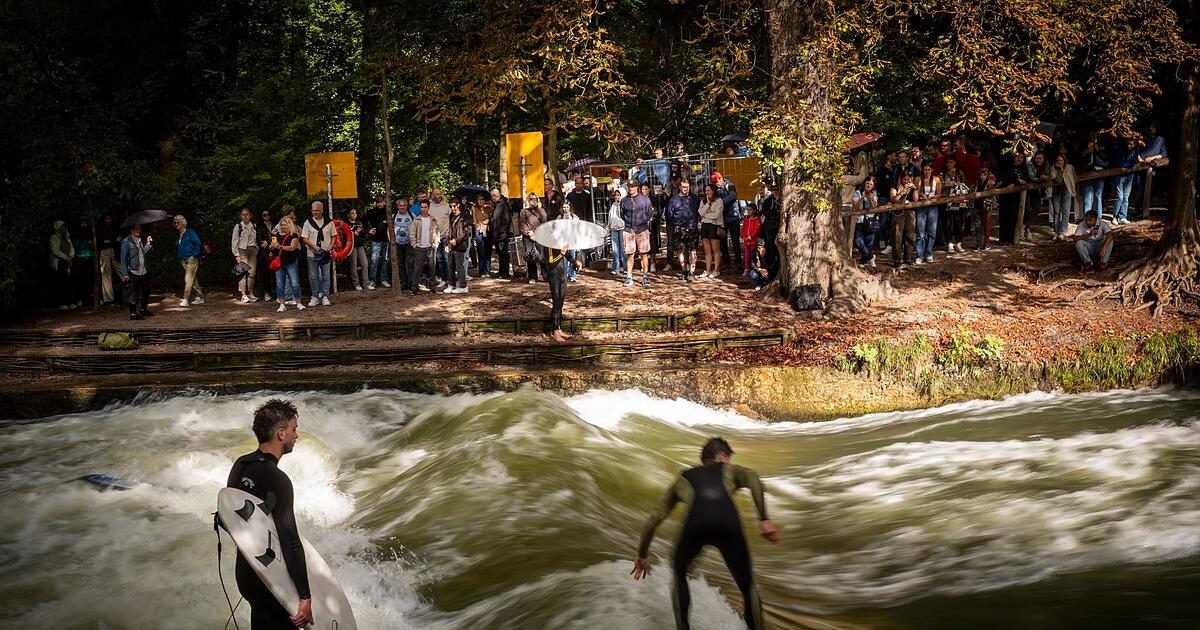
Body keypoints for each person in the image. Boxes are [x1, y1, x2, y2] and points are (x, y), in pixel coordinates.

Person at [632, 437, 780, 630]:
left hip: (696, 525)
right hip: (728, 524)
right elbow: (752, 477)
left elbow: (655, 518)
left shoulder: (683, 478)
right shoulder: (729, 470)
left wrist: (642, 555)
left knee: (679, 572)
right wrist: (764, 518)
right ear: (721, 457)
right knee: (748, 587)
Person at [226, 399, 314, 630]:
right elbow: (290, 540)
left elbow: (229, 519)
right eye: (294, 430)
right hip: (271, 581)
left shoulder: (241, 464)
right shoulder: (278, 479)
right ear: (281, 433)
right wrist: (305, 596)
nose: (297, 435)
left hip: (245, 574)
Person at [300, 202, 335, 307]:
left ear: (322, 210)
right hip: (312, 253)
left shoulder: (329, 223)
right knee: (313, 276)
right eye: (313, 210)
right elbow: (304, 238)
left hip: (325, 253)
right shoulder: (308, 222)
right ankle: (315, 296)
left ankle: (325, 296)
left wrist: (331, 246)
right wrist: (314, 246)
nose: (315, 212)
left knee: (326, 276)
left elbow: (334, 235)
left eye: (317, 210)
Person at [668, 180, 702, 281]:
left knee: (693, 251)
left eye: (687, 187)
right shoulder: (674, 200)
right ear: (679, 187)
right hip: (679, 228)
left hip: (692, 227)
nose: (685, 189)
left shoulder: (695, 199)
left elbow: (700, 213)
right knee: (680, 250)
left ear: (690, 187)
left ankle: (692, 272)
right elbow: (669, 215)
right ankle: (684, 271)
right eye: (683, 187)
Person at [621, 184, 654, 287]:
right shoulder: (624, 200)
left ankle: (645, 276)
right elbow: (622, 214)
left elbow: (649, 213)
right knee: (629, 254)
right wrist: (629, 226)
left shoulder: (645, 199)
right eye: (629, 187)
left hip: (642, 229)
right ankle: (629, 276)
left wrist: (642, 223)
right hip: (628, 230)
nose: (631, 188)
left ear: (636, 187)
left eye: (633, 186)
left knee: (644, 253)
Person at [118, 223, 153, 320]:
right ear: (131, 230)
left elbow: (142, 253)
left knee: (147, 289)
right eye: (136, 229)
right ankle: (133, 314)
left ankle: (143, 309)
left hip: (143, 270)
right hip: (133, 271)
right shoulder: (126, 242)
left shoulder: (140, 240)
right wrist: (125, 274)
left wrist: (148, 244)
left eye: (139, 229)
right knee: (132, 292)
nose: (138, 230)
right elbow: (123, 259)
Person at [271, 217, 304, 312]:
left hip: (291, 262)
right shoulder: (276, 235)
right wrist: (271, 247)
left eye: (285, 224)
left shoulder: (293, 235)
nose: (283, 226)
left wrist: (280, 246)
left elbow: (292, 248)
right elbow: (273, 248)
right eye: (281, 225)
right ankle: (282, 304)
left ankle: (298, 302)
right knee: (280, 284)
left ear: (289, 225)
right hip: (279, 263)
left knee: (295, 283)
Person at [408, 199, 439, 294]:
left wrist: (436, 244)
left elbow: (437, 232)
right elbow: (412, 233)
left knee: (432, 268)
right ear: (420, 208)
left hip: (430, 247)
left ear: (428, 208)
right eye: (422, 207)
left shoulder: (433, 219)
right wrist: (414, 245)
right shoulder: (416, 220)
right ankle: (414, 288)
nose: (424, 209)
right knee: (417, 269)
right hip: (419, 248)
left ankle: (432, 287)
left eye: (425, 207)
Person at [173, 214, 205, 307]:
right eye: (175, 223)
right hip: (183, 260)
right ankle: (200, 297)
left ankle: (186, 299)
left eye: (178, 222)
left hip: (192, 259)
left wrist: (194, 255)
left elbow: (198, 243)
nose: (176, 224)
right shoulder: (178, 234)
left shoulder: (190, 232)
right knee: (192, 279)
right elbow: (178, 246)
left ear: (183, 222)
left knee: (188, 279)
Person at [996, 153, 1028, 245]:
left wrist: (1019, 181)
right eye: (1017, 157)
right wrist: (1016, 181)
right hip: (1005, 196)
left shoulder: (1024, 168)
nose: (1019, 159)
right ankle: (1002, 239)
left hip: (1016, 197)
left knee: (1012, 217)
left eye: (1021, 157)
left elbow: (1026, 179)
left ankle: (1010, 239)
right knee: (1003, 216)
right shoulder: (1007, 167)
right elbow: (1005, 178)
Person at [890, 172, 919, 267]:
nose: (906, 181)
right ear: (901, 179)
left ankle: (908, 258)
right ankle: (897, 260)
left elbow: (915, 200)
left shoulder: (913, 187)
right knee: (897, 237)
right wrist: (902, 193)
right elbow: (893, 199)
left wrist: (914, 189)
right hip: (898, 213)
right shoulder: (895, 186)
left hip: (910, 212)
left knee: (910, 236)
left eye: (908, 179)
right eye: (904, 179)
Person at [940, 156, 968, 252]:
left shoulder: (959, 173)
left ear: (955, 162)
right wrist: (946, 184)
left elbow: (965, 184)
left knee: (959, 222)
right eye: (948, 162)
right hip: (946, 201)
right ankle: (950, 243)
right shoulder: (942, 173)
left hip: (958, 201)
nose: (949, 164)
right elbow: (939, 186)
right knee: (947, 223)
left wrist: (958, 184)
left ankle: (959, 243)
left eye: (951, 162)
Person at [1109, 136, 1140, 225]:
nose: (1129, 146)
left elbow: (1134, 161)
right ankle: (1115, 217)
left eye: (1131, 144)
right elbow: (1118, 162)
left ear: (1134, 144)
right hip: (1118, 177)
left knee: (1126, 198)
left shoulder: (1136, 149)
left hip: (1129, 177)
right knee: (1119, 197)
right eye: (1127, 144)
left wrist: (1131, 164)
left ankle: (1123, 217)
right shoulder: (1119, 149)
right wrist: (1130, 165)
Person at [714, 172, 741, 272]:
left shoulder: (729, 185)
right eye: (714, 182)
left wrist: (720, 203)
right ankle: (726, 262)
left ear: (721, 178)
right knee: (722, 241)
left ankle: (738, 262)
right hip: (722, 219)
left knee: (735, 241)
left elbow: (733, 196)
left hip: (733, 217)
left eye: (717, 181)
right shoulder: (715, 187)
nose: (716, 184)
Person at [914, 163, 940, 264]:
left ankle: (928, 253)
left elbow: (938, 195)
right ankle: (920, 255)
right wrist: (921, 194)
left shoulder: (936, 179)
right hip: (921, 206)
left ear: (932, 170)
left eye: (929, 169)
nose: (927, 171)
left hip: (933, 206)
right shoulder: (918, 179)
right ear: (922, 170)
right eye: (925, 169)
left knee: (932, 232)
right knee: (920, 232)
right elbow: (915, 192)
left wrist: (931, 197)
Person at [1079, 131, 1109, 219]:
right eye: (1091, 135)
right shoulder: (1084, 144)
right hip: (1087, 172)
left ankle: (1098, 218)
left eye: (1095, 135)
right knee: (1087, 197)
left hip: (1099, 171)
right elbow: (1079, 158)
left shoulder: (1103, 145)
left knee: (1098, 196)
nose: (1093, 137)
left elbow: (1106, 158)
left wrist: (1098, 150)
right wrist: (1085, 152)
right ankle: (1087, 219)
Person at [519, 193, 548, 283]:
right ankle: (532, 276)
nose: (533, 201)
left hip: (540, 236)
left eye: (535, 199)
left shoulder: (542, 211)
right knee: (530, 256)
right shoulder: (523, 211)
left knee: (542, 256)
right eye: (531, 199)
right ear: (528, 200)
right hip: (528, 237)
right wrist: (529, 233)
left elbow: (544, 223)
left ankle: (546, 275)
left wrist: (536, 233)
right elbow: (522, 224)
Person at [232, 208, 259, 302]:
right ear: (241, 216)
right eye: (243, 215)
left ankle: (251, 293)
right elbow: (234, 241)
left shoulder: (254, 226)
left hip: (253, 250)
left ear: (250, 215)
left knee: (252, 273)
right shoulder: (238, 226)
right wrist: (236, 255)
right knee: (243, 273)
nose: (245, 216)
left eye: (247, 214)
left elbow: (257, 239)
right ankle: (243, 294)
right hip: (242, 250)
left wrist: (257, 249)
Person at [852, 177, 880, 269]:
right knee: (858, 242)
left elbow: (874, 206)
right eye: (867, 183)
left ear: (874, 186)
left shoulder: (874, 193)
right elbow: (857, 207)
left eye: (871, 184)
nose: (869, 186)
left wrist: (871, 198)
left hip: (871, 220)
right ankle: (871, 257)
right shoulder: (857, 193)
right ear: (864, 183)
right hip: (859, 220)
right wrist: (862, 198)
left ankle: (863, 261)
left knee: (869, 243)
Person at [698, 183, 725, 278]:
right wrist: (708, 204)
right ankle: (708, 270)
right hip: (705, 226)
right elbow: (700, 213)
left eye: (709, 190)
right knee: (707, 250)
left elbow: (717, 215)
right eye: (706, 190)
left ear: (713, 191)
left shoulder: (719, 201)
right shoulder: (703, 201)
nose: (707, 192)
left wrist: (706, 216)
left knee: (716, 250)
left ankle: (716, 270)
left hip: (715, 226)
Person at [365, 195, 391, 289]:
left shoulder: (388, 211)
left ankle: (384, 279)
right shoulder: (371, 212)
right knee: (374, 261)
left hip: (386, 240)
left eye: (381, 202)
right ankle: (372, 281)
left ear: (384, 202)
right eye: (377, 202)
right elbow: (363, 221)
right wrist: (369, 230)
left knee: (385, 259)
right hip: (375, 240)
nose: (379, 204)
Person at [49, 220, 77, 310]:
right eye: (61, 227)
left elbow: (72, 247)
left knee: (71, 281)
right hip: (60, 262)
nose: (63, 228)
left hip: (69, 261)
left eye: (64, 226)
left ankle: (72, 302)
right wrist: (66, 257)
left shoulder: (67, 236)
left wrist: (71, 256)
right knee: (62, 281)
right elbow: (55, 251)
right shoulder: (53, 237)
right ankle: (63, 302)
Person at [546, 244, 572, 342]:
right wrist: (562, 254)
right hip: (554, 275)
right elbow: (550, 261)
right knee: (556, 303)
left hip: (562, 274)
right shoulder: (547, 244)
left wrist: (575, 261)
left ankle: (559, 328)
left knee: (561, 301)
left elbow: (566, 254)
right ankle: (555, 331)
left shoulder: (558, 241)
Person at [446, 200, 472, 293]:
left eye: (454, 206)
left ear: (458, 205)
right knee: (450, 264)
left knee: (459, 265)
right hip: (451, 243)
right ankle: (451, 284)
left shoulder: (464, 216)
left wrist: (456, 241)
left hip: (461, 245)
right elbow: (450, 230)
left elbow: (466, 233)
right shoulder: (451, 216)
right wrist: (448, 242)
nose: (452, 208)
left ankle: (463, 286)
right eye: (451, 206)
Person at [1050, 154, 1078, 240]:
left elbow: (1074, 178)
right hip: (1056, 192)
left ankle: (1063, 232)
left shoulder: (1070, 167)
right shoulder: (1053, 168)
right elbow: (1057, 180)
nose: (1059, 162)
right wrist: (1060, 171)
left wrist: (1073, 188)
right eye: (1058, 160)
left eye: (1061, 160)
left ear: (1064, 161)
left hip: (1067, 191)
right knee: (1057, 212)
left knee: (1066, 212)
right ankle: (1056, 231)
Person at [428, 189, 452, 288]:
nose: (438, 196)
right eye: (436, 194)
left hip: (446, 236)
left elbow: (452, 218)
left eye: (439, 194)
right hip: (435, 238)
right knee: (439, 259)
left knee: (447, 259)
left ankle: (451, 280)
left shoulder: (447, 206)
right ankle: (443, 279)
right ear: (432, 195)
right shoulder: (429, 206)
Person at [489, 189, 513, 279]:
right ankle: (501, 271)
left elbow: (506, 220)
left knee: (503, 253)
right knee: (499, 253)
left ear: (495, 196)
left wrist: (502, 232)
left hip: (502, 234)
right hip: (497, 234)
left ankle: (505, 272)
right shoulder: (497, 205)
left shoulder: (503, 205)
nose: (491, 199)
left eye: (492, 197)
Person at [344, 207, 369, 291]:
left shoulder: (359, 223)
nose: (354, 215)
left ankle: (366, 283)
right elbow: (344, 235)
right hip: (351, 246)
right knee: (353, 265)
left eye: (355, 213)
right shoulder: (346, 224)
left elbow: (363, 234)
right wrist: (353, 233)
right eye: (352, 213)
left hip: (360, 245)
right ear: (348, 215)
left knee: (365, 264)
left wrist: (368, 233)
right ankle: (356, 284)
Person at [972, 166, 997, 250]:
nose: (982, 176)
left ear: (987, 175)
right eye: (981, 175)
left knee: (986, 226)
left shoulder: (990, 184)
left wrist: (988, 206)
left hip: (985, 207)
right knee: (977, 226)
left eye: (984, 175)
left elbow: (990, 196)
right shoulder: (976, 183)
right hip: (976, 207)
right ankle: (979, 244)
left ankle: (986, 244)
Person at [73, 218, 95, 307]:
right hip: (80, 259)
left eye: (85, 223)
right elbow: (77, 246)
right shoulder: (77, 234)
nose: (84, 225)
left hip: (89, 258)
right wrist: (86, 244)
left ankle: (89, 300)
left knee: (90, 280)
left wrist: (86, 244)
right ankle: (80, 299)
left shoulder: (90, 234)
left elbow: (92, 246)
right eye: (82, 223)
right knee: (81, 280)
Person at [98, 213, 119, 305]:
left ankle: (130, 294)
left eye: (109, 218)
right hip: (104, 252)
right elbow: (101, 243)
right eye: (106, 219)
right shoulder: (100, 228)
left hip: (114, 252)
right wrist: (113, 241)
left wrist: (111, 242)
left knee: (122, 271)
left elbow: (119, 239)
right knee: (106, 275)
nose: (108, 220)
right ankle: (109, 299)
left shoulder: (115, 227)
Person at [393, 198, 414, 291]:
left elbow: (416, 228)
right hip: (397, 243)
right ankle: (403, 283)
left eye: (404, 205)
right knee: (400, 264)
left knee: (410, 264)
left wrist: (414, 241)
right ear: (397, 206)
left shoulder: (412, 216)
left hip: (409, 243)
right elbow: (389, 230)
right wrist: (391, 241)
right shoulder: (393, 216)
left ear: (407, 206)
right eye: (400, 205)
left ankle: (411, 283)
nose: (402, 207)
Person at [758, 182, 781, 266]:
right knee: (770, 244)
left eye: (777, 189)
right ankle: (773, 261)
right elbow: (765, 212)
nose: (775, 191)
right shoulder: (768, 200)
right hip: (769, 225)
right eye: (774, 190)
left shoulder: (783, 199)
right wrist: (775, 213)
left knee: (778, 244)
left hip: (779, 225)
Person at [256, 210, 275, 301]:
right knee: (265, 274)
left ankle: (275, 292)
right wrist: (268, 249)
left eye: (268, 214)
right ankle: (266, 292)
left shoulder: (275, 225)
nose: (266, 216)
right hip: (264, 254)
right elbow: (260, 241)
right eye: (264, 215)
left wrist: (270, 245)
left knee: (276, 273)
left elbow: (277, 237)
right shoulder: (259, 227)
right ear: (262, 216)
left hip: (275, 251)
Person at [606, 189, 626, 276]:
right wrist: (608, 227)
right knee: (615, 249)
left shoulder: (624, 204)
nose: (617, 197)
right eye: (616, 195)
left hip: (622, 228)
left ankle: (626, 267)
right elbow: (610, 217)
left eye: (619, 195)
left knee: (623, 249)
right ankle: (616, 268)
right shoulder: (613, 205)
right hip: (614, 228)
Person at [471, 194, 491, 277]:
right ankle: (482, 271)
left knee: (488, 251)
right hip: (479, 231)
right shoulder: (474, 209)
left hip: (488, 231)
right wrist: (479, 224)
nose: (480, 201)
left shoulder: (489, 208)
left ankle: (488, 270)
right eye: (478, 199)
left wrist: (487, 221)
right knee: (481, 251)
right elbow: (474, 222)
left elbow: (491, 218)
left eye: (482, 199)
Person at [740, 203, 761, 276]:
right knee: (747, 255)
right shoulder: (746, 219)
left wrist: (751, 237)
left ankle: (754, 269)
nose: (749, 211)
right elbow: (743, 229)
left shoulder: (757, 219)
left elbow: (757, 229)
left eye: (750, 210)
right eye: (748, 210)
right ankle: (747, 269)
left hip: (753, 241)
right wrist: (743, 236)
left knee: (753, 256)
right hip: (746, 241)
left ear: (754, 210)